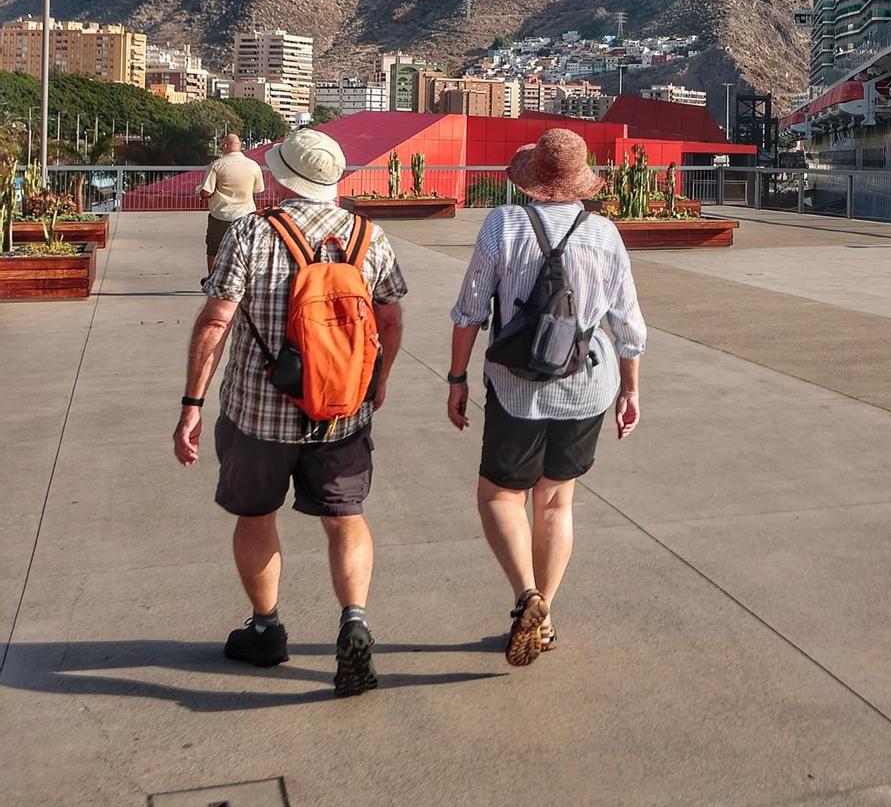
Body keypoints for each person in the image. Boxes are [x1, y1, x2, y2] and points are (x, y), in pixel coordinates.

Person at [174, 127, 407, 698]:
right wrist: (377, 382)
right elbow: (391, 319)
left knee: (256, 516)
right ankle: (354, 620)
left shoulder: (252, 232)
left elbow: (216, 322)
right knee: (345, 518)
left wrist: (191, 405)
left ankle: (267, 628)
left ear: (280, 177)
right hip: (342, 414)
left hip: (259, 413)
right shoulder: (367, 237)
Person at [445, 128, 644, 667]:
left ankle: (526, 596)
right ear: (580, 182)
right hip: (588, 383)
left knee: (500, 497)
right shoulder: (605, 234)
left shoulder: (503, 223)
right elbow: (628, 324)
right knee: (556, 501)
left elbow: (469, 310)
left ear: (532, 179)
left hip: (516, 385)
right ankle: (547, 617)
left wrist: (457, 378)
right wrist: (631, 388)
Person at [199, 133, 265, 271]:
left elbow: (206, 192)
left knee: (214, 250)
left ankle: (212, 279)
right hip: (246, 215)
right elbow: (258, 191)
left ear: (225, 146)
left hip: (221, 215)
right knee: (246, 251)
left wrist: (200, 191)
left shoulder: (217, 165)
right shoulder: (253, 165)